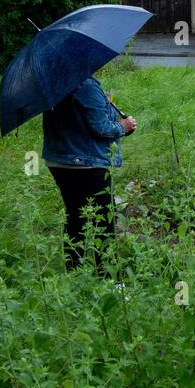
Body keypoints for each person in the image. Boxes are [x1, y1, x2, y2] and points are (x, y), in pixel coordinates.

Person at [42, 73, 136, 272]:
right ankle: (110, 280)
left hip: (59, 161)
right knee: (104, 220)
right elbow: (100, 128)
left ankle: (74, 272)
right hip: (87, 164)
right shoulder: (86, 85)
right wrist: (124, 126)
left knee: (76, 218)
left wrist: (104, 104)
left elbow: (75, 119)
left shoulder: (55, 83)